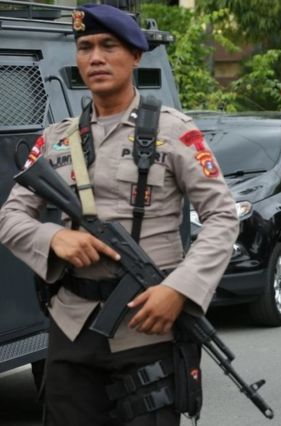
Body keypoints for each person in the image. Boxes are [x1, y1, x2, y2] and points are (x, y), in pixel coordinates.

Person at [0, 4, 239, 424]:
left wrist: (181, 290)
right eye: (85, 46)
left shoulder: (174, 132)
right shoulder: (56, 140)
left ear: (135, 56)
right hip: (70, 326)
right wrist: (54, 239)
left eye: (108, 46)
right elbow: (11, 217)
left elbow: (222, 216)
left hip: (148, 325)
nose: (95, 57)